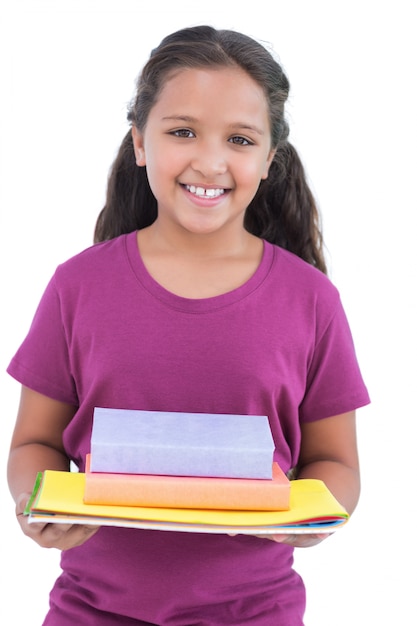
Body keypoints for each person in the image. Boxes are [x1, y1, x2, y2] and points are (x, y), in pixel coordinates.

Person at [6, 25, 370, 625]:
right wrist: (34, 501)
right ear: (140, 143)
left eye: (239, 138)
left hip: (257, 613)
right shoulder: (77, 287)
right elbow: (33, 444)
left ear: (269, 158)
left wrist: (319, 517)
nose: (210, 160)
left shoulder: (312, 300)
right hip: (89, 611)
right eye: (182, 132)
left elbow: (338, 463)